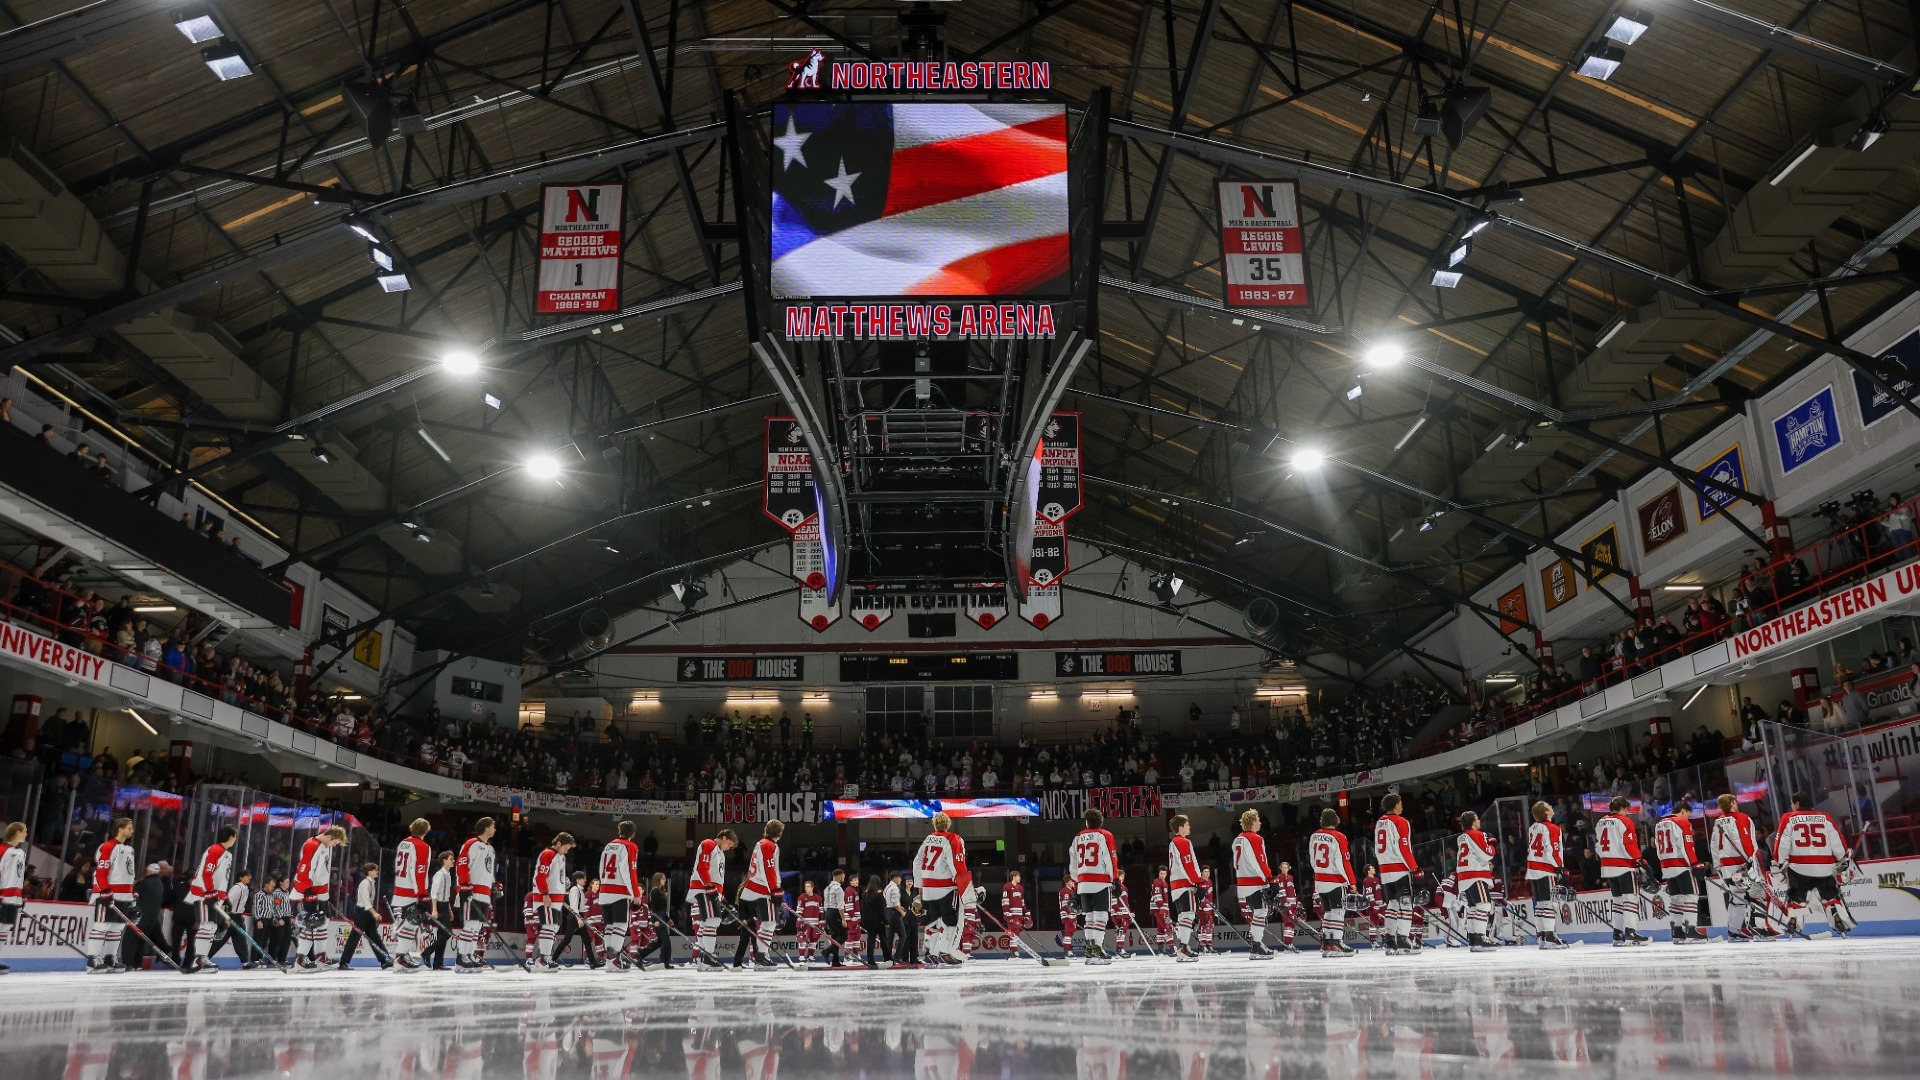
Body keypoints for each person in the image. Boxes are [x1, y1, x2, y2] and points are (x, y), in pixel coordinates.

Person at [1773, 791, 1855, 937]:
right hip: (1825, 867)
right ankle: (1837, 917)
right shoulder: (1825, 818)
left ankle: (1793, 922)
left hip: (1799, 867)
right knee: (1830, 895)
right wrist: (1842, 859)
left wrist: (1779, 862)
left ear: (1797, 803)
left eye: (1792, 803)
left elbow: (1782, 844)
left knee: (1798, 897)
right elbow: (1838, 843)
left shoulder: (1789, 818)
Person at [1709, 793, 1775, 940]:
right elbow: (1746, 841)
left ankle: (1733, 930)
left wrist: (1718, 866)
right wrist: (1751, 859)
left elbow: (1713, 846)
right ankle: (1758, 928)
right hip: (1742, 863)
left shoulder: (1718, 822)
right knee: (1757, 892)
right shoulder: (1742, 817)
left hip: (1726, 866)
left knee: (1737, 897)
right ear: (1732, 803)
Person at [913, 811, 972, 965]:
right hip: (946, 887)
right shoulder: (953, 838)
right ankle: (945, 953)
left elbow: (917, 862)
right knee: (950, 920)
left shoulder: (927, 840)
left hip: (928, 889)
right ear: (948, 824)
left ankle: (931, 954)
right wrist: (964, 886)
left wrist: (920, 888)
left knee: (933, 920)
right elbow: (957, 864)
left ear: (934, 824)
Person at [1595, 796, 1649, 946]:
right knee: (1630, 898)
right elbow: (1630, 844)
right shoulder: (1625, 821)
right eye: (1626, 809)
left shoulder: (1600, 822)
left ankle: (1617, 935)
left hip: (1607, 866)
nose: (1627, 812)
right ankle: (1630, 932)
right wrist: (1641, 861)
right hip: (1624, 865)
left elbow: (1598, 845)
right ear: (1623, 808)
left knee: (1617, 901)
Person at [293, 825, 347, 971]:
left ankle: (320, 957)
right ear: (330, 836)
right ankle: (300, 959)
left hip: (322, 892)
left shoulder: (324, 846)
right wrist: (308, 890)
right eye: (335, 842)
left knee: (323, 922)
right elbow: (304, 869)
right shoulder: (312, 845)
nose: (334, 845)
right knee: (312, 923)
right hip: (312, 891)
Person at [85, 817, 136, 973]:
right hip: (109, 894)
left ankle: (110, 958)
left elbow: (128, 874)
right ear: (120, 828)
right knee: (102, 926)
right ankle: (93, 959)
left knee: (117, 928)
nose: (132, 831)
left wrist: (132, 893)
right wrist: (105, 891)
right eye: (129, 828)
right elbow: (101, 872)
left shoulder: (129, 849)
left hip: (124, 895)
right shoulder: (108, 847)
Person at [1654, 798, 1707, 943]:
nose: (1687, 818)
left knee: (1675, 898)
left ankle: (1677, 932)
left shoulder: (1659, 824)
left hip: (1666, 866)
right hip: (1681, 865)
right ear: (1683, 811)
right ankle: (1691, 931)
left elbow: (1658, 848)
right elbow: (1687, 845)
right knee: (1691, 895)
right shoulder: (1682, 822)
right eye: (1687, 815)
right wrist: (1695, 863)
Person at [1071, 808, 1121, 964]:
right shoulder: (1105, 835)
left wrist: (1076, 884)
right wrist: (1116, 879)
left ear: (1087, 822)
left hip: (1083, 882)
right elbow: (1111, 858)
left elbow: (1073, 863)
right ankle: (1096, 951)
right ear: (1101, 822)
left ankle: (1091, 952)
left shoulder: (1078, 837)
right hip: (1100, 881)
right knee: (1100, 916)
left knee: (1090, 917)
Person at [184, 825, 237, 973]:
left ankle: (203, 957)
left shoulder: (227, 854)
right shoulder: (215, 850)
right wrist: (210, 893)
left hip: (215, 895)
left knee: (212, 927)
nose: (235, 839)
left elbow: (221, 878)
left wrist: (223, 896)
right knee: (207, 925)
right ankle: (199, 959)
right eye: (235, 836)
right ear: (231, 836)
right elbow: (206, 874)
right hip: (204, 894)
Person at [1231, 808, 1281, 958]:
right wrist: (1270, 878)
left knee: (1257, 913)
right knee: (1260, 912)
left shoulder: (1237, 839)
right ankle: (1256, 946)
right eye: (1258, 819)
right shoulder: (1255, 838)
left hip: (1243, 882)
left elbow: (1235, 863)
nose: (1260, 822)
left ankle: (1256, 944)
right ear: (1252, 822)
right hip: (1255, 882)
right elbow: (1259, 861)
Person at [1374, 793, 1420, 954]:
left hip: (1385, 870)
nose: (1402, 806)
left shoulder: (1380, 822)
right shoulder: (1401, 821)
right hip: (1399, 869)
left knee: (1392, 905)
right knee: (1406, 905)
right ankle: (1403, 940)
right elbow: (1403, 847)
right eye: (1400, 803)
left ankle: (1390, 941)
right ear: (1395, 805)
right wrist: (1414, 867)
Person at [735, 820, 782, 970]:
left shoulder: (760, 843)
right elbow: (769, 870)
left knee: (768, 922)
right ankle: (761, 957)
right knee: (770, 922)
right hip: (762, 889)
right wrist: (775, 889)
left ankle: (762, 955)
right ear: (779, 833)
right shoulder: (769, 845)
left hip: (754, 887)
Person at [686, 828, 736, 969]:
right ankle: (708, 958)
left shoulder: (720, 853)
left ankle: (703, 959)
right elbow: (703, 867)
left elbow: (717, 877)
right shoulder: (709, 844)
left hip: (710, 890)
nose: (729, 848)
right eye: (729, 844)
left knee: (705, 924)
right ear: (724, 838)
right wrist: (709, 887)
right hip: (705, 890)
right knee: (713, 921)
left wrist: (722, 896)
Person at [1310, 809, 1358, 957]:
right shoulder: (1339, 836)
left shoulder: (1314, 836)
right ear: (1336, 820)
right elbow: (1343, 862)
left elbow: (1312, 859)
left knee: (1329, 913)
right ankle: (1336, 943)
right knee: (1338, 912)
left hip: (1320, 880)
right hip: (1335, 880)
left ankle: (1327, 944)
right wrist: (1352, 882)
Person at [453, 817, 498, 971]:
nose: (495, 829)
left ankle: (470, 955)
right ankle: (461, 958)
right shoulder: (471, 844)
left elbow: (489, 870)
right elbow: (462, 865)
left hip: (485, 892)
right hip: (472, 890)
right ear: (486, 828)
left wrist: (494, 884)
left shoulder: (490, 848)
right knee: (470, 924)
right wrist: (463, 887)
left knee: (477, 926)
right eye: (493, 826)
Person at [1525, 801, 1570, 949]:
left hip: (1533, 869)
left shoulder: (1533, 827)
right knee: (1549, 903)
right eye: (1549, 807)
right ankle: (1550, 936)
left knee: (1540, 904)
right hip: (1546, 869)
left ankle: (1542, 937)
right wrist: (1560, 868)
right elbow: (1552, 850)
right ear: (1546, 812)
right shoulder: (1553, 828)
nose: (1552, 808)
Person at [388, 817, 432, 970]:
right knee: (411, 925)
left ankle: (402, 956)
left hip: (399, 888)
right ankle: (400, 958)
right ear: (426, 831)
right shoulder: (422, 846)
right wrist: (422, 893)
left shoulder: (403, 843)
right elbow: (419, 870)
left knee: (409, 924)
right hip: (411, 891)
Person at [598, 820, 642, 970]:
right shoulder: (630, 846)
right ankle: (614, 958)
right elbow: (629, 871)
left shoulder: (608, 846)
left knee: (609, 927)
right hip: (620, 891)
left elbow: (601, 868)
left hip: (604, 890)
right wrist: (636, 893)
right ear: (633, 833)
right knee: (621, 925)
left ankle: (610, 959)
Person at [527, 832, 575, 970]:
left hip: (556, 899)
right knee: (549, 926)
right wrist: (545, 894)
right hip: (547, 898)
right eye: (566, 847)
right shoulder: (548, 854)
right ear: (559, 843)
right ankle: (543, 959)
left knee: (554, 927)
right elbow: (540, 877)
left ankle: (546, 957)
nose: (567, 850)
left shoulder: (561, 857)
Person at [338, 862, 395, 970]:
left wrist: (373, 913)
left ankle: (384, 960)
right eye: (375, 870)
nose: (377, 872)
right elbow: (366, 901)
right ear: (370, 871)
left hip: (367, 912)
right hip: (362, 912)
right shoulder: (365, 883)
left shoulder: (371, 883)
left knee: (374, 937)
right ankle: (343, 962)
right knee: (355, 937)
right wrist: (375, 913)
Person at [1454, 811, 1497, 952]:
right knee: (1483, 905)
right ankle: (1480, 937)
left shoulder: (1461, 837)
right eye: (1477, 818)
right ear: (1473, 821)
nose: (1479, 821)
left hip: (1464, 876)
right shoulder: (1477, 834)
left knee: (1473, 908)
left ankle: (1472, 938)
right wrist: (1491, 844)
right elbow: (1487, 854)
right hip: (1476, 875)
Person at [1166, 814, 1202, 962]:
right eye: (1187, 825)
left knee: (1182, 917)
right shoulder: (1183, 841)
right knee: (1188, 915)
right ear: (1180, 827)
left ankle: (1182, 947)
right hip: (1185, 884)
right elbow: (1187, 864)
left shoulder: (1173, 842)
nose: (1189, 827)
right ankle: (1183, 948)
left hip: (1176, 885)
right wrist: (1198, 882)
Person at [555, 871, 601, 968]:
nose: (585, 880)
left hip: (580, 916)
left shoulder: (580, 890)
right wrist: (579, 919)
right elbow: (574, 906)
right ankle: (552, 959)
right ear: (577, 880)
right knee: (566, 940)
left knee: (587, 940)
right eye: (583, 878)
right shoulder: (574, 890)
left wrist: (582, 918)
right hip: (574, 917)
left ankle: (592, 962)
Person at [631, 871, 673, 969]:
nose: (665, 880)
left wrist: (668, 919)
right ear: (658, 879)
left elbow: (662, 908)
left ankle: (640, 954)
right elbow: (653, 908)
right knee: (666, 941)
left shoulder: (660, 890)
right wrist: (655, 921)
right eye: (663, 878)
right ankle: (664, 961)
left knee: (659, 942)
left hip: (662, 918)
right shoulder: (655, 891)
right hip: (658, 919)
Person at [0, 821, 26, 973]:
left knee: (5, 928)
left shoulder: (20, 853)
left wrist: (20, 898)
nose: (26, 834)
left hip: (14, 898)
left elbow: (18, 877)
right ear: (17, 832)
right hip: (3, 895)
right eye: (24, 831)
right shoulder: (3, 850)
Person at [425, 852, 455, 969]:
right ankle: (426, 952)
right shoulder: (439, 874)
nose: (453, 861)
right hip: (438, 906)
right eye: (451, 859)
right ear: (444, 860)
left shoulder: (448, 875)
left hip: (445, 905)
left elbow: (446, 895)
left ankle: (438, 963)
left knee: (442, 934)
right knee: (447, 933)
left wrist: (450, 910)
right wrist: (434, 909)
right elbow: (434, 892)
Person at [795, 880, 825, 965]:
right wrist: (799, 920)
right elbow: (799, 910)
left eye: (808, 887)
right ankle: (801, 957)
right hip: (805, 923)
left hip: (815, 923)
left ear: (812, 887)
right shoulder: (801, 897)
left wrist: (822, 921)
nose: (806, 888)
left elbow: (821, 911)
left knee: (814, 941)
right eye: (805, 887)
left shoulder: (818, 898)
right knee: (802, 939)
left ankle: (811, 957)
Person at [823, 868, 848, 967]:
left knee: (835, 936)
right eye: (843, 876)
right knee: (843, 935)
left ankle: (835, 960)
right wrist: (843, 919)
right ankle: (827, 951)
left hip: (828, 912)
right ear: (840, 876)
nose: (843, 878)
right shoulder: (838, 888)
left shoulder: (827, 888)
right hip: (835, 912)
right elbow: (840, 906)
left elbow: (825, 904)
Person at [882, 870, 906, 966]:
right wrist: (901, 912)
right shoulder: (895, 888)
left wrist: (899, 907)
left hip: (887, 912)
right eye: (900, 878)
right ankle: (897, 956)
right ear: (895, 878)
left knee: (890, 937)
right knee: (903, 935)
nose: (900, 880)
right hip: (894, 912)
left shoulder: (887, 887)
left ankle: (888, 958)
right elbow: (895, 903)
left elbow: (888, 901)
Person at [1149, 866, 1173, 955]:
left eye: (1164, 874)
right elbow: (1157, 896)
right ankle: (1172, 946)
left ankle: (1161, 947)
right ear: (1159, 873)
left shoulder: (1164, 883)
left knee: (1161, 928)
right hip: (1159, 908)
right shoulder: (1157, 881)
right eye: (1161, 873)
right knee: (1167, 926)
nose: (1163, 875)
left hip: (1162, 908)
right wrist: (1162, 907)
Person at [1002, 869, 1030, 943]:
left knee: (1016, 933)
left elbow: (1022, 902)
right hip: (1012, 914)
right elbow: (1005, 901)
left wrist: (1026, 912)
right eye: (1018, 876)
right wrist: (1007, 913)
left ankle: (1013, 951)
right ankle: (1014, 952)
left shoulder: (1020, 888)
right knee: (1015, 932)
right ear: (1014, 877)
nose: (1020, 878)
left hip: (1019, 914)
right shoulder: (1007, 886)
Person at [1057, 872, 1080, 959]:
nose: (1073, 883)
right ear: (1068, 882)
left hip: (1070, 914)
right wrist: (1069, 914)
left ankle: (1068, 951)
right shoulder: (1065, 891)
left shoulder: (1070, 891)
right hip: (1068, 915)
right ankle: (1067, 951)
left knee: (1069, 933)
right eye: (1072, 881)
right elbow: (1065, 904)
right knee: (1068, 933)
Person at [1196, 867, 1218, 953]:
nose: (1207, 873)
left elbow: (1210, 895)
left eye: (1208, 871)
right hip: (1202, 908)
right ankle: (1203, 946)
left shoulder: (1210, 881)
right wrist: (1202, 905)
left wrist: (1213, 905)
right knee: (1203, 927)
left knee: (1210, 927)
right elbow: (1199, 896)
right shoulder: (1199, 881)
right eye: (1205, 871)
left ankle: (1209, 946)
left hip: (1209, 907)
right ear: (1201, 873)